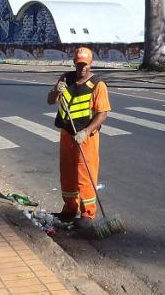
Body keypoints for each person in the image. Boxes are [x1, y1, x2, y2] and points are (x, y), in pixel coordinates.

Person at [46, 47, 112, 227]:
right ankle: (69, 209)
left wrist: (86, 131)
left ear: (91, 64)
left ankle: (87, 214)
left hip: (86, 137)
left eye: (85, 64)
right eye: (79, 63)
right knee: (67, 173)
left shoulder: (98, 84)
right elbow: (50, 101)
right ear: (74, 62)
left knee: (85, 174)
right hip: (67, 134)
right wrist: (56, 91)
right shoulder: (66, 79)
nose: (82, 67)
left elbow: (102, 113)